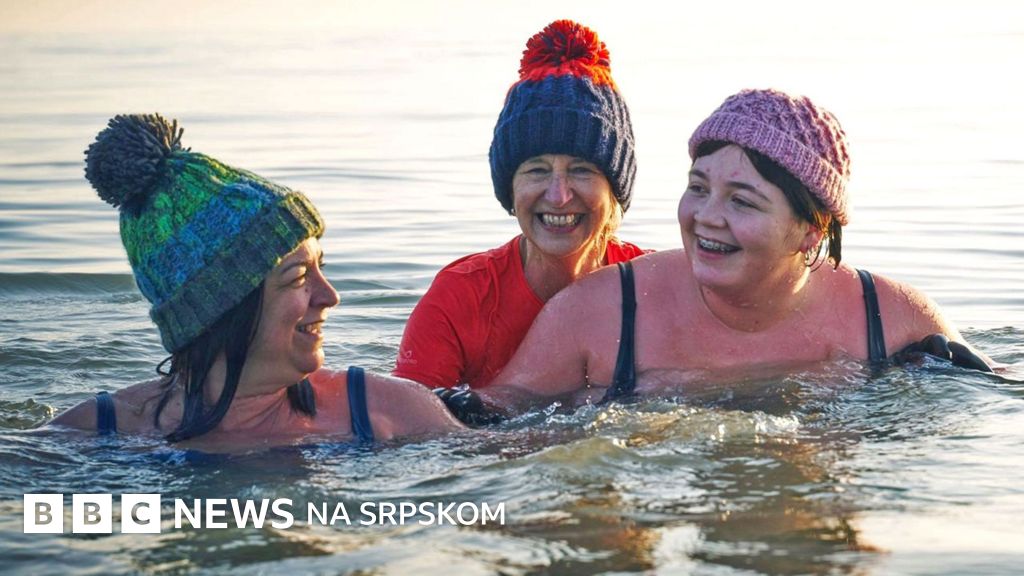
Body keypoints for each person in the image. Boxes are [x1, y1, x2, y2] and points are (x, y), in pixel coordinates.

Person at [441, 88, 992, 417]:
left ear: (810, 230)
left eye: (742, 200)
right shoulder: (598, 312)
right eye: (698, 188)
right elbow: (482, 426)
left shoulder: (891, 319)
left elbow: (987, 407)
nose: (706, 216)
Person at [50, 114, 462, 448]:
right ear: (222, 307)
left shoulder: (391, 413)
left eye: (321, 268)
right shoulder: (90, 437)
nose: (330, 296)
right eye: (298, 276)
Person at [394, 20, 647, 389]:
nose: (558, 196)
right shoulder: (458, 300)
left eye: (581, 170)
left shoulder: (655, 289)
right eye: (536, 170)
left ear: (615, 191)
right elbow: (403, 420)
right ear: (509, 189)